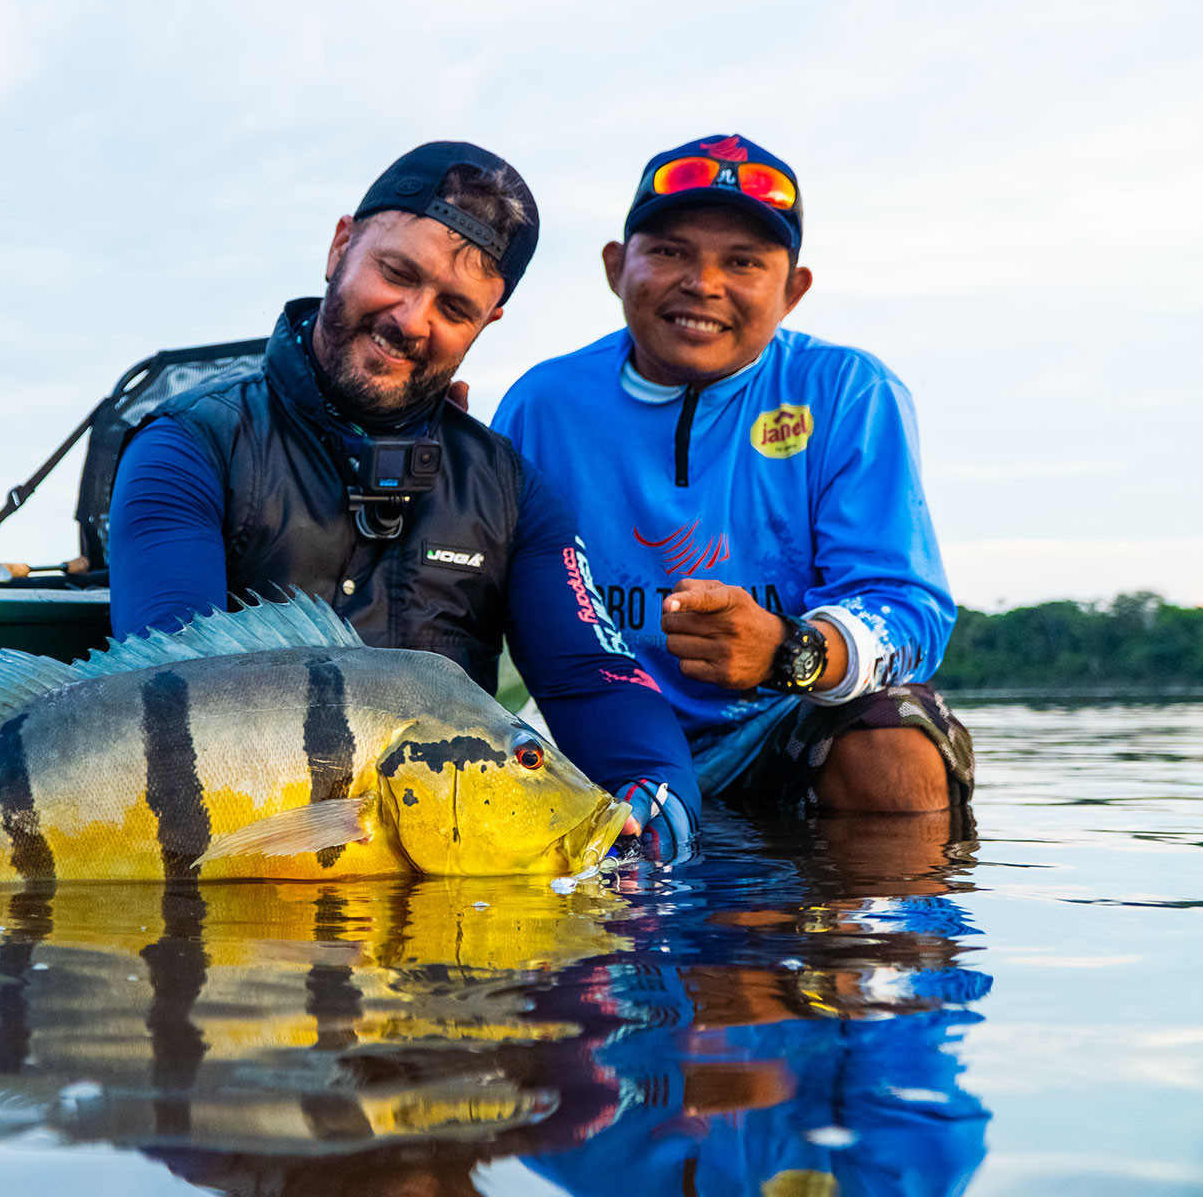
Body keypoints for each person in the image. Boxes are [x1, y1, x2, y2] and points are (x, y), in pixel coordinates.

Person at [106, 142, 699, 856]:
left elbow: (592, 680)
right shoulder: (188, 447)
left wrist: (657, 799)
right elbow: (163, 702)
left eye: (454, 307)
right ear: (341, 246)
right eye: (396, 273)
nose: (412, 320)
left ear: (488, 321)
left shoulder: (515, 493)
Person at [492, 134, 973, 817]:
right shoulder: (543, 404)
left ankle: (875, 895)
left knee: (895, 749)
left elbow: (908, 608)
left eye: (743, 261)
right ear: (615, 267)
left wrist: (789, 650)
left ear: (793, 291)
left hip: (776, 723)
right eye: (670, 252)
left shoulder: (847, 392)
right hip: (592, 735)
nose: (703, 283)